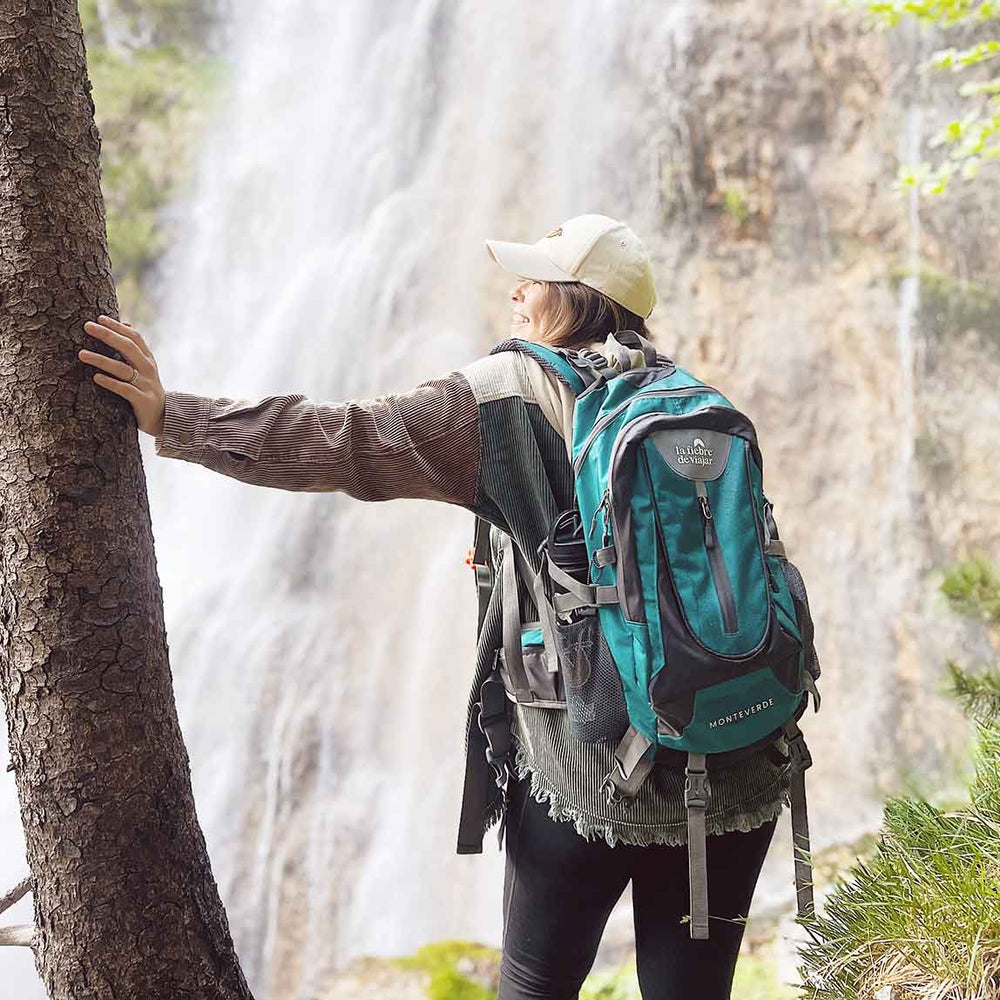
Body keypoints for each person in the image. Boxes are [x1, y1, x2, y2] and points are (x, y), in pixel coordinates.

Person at [78, 213, 788, 999]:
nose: (516, 291)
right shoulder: (691, 400)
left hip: (595, 771)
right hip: (735, 753)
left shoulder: (501, 398)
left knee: (534, 982)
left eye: (534, 280)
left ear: (576, 300)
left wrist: (173, 416)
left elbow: (346, 441)